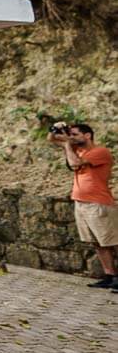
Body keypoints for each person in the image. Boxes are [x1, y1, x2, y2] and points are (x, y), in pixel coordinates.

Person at [49, 122, 116, 289]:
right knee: (97, 243)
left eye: (75, 134)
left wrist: (66, 144)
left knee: (111, 242)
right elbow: (51, 139)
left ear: (87, 135)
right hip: (82, 203)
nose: (71, 138)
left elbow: (74, 164)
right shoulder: (78, 149)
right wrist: (55, 128)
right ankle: (110, 276)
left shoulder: (99, 151)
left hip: (98, 203)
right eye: (70, 134)